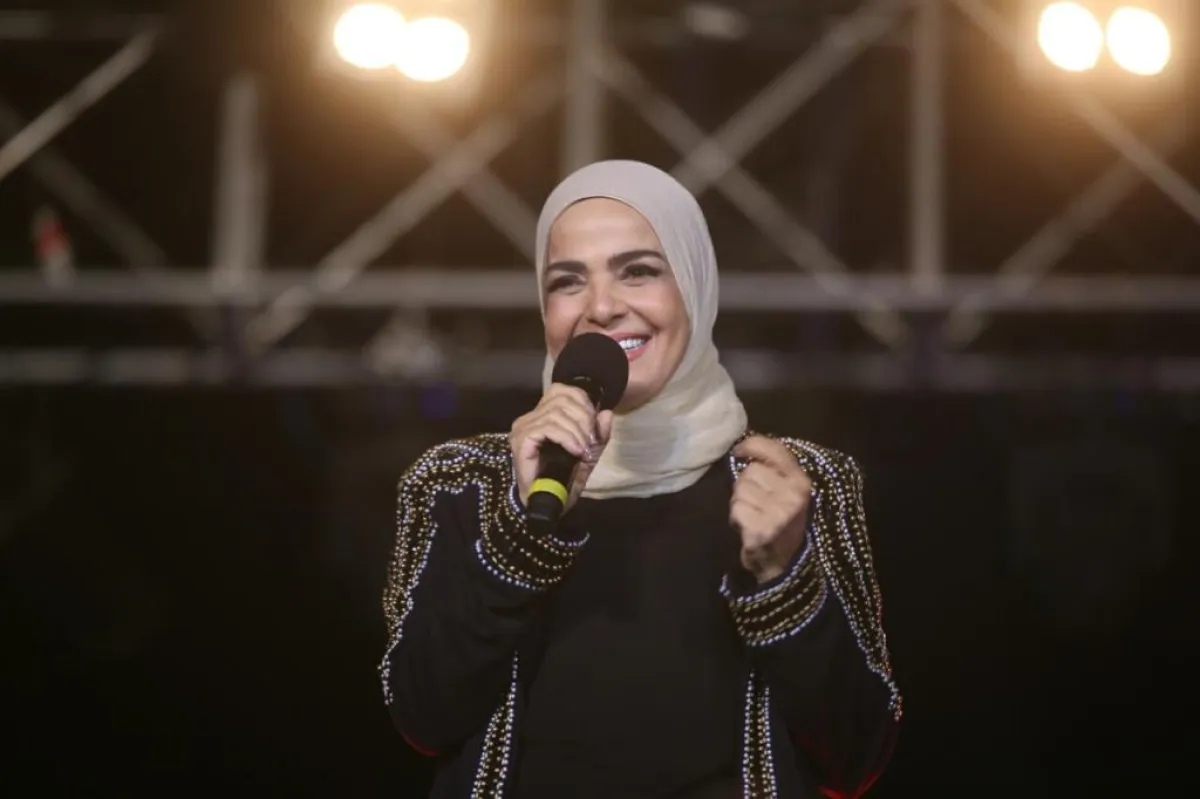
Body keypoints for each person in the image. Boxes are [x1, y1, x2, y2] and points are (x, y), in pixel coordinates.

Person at [379, 160, 901, 798]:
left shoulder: (798, 483)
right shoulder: (458, 482)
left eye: (639, 271)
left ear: (695, 287)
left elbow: (855, 757)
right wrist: (519, 526)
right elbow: (422, 715)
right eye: (567, 281)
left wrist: (783, 575)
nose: (601, 307)